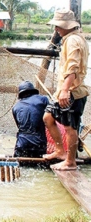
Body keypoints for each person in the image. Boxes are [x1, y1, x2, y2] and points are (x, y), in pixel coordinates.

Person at [43, 9, 89, 170]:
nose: (56, 29)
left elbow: (73, 68)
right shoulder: (71, 38)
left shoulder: (73, 41)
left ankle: (70, 161)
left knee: (70, 127)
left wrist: (65, 90)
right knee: (48, 117)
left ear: (68, 26)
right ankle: (60, 151)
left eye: (59, 26)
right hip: (66, 90)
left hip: (72, 92)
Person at [12, 81, 49, 158]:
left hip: (21, 145)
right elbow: (51, 119)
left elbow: (19, 126)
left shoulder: (15, 107)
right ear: (33, 92)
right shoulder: (43, 100)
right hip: (39, 144)